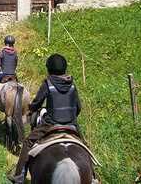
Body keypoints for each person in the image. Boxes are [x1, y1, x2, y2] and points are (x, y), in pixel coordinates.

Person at [8, 54, 87, 184]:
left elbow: (37, 102)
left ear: (49, 69)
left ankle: (20, 174)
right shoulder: (72, 84)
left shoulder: (48, 83)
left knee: (28, 142)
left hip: (50, 123)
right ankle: (94, 176)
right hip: (71, 123)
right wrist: (70, 118)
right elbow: (78, 107)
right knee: (84, 145)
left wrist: (32, 108)